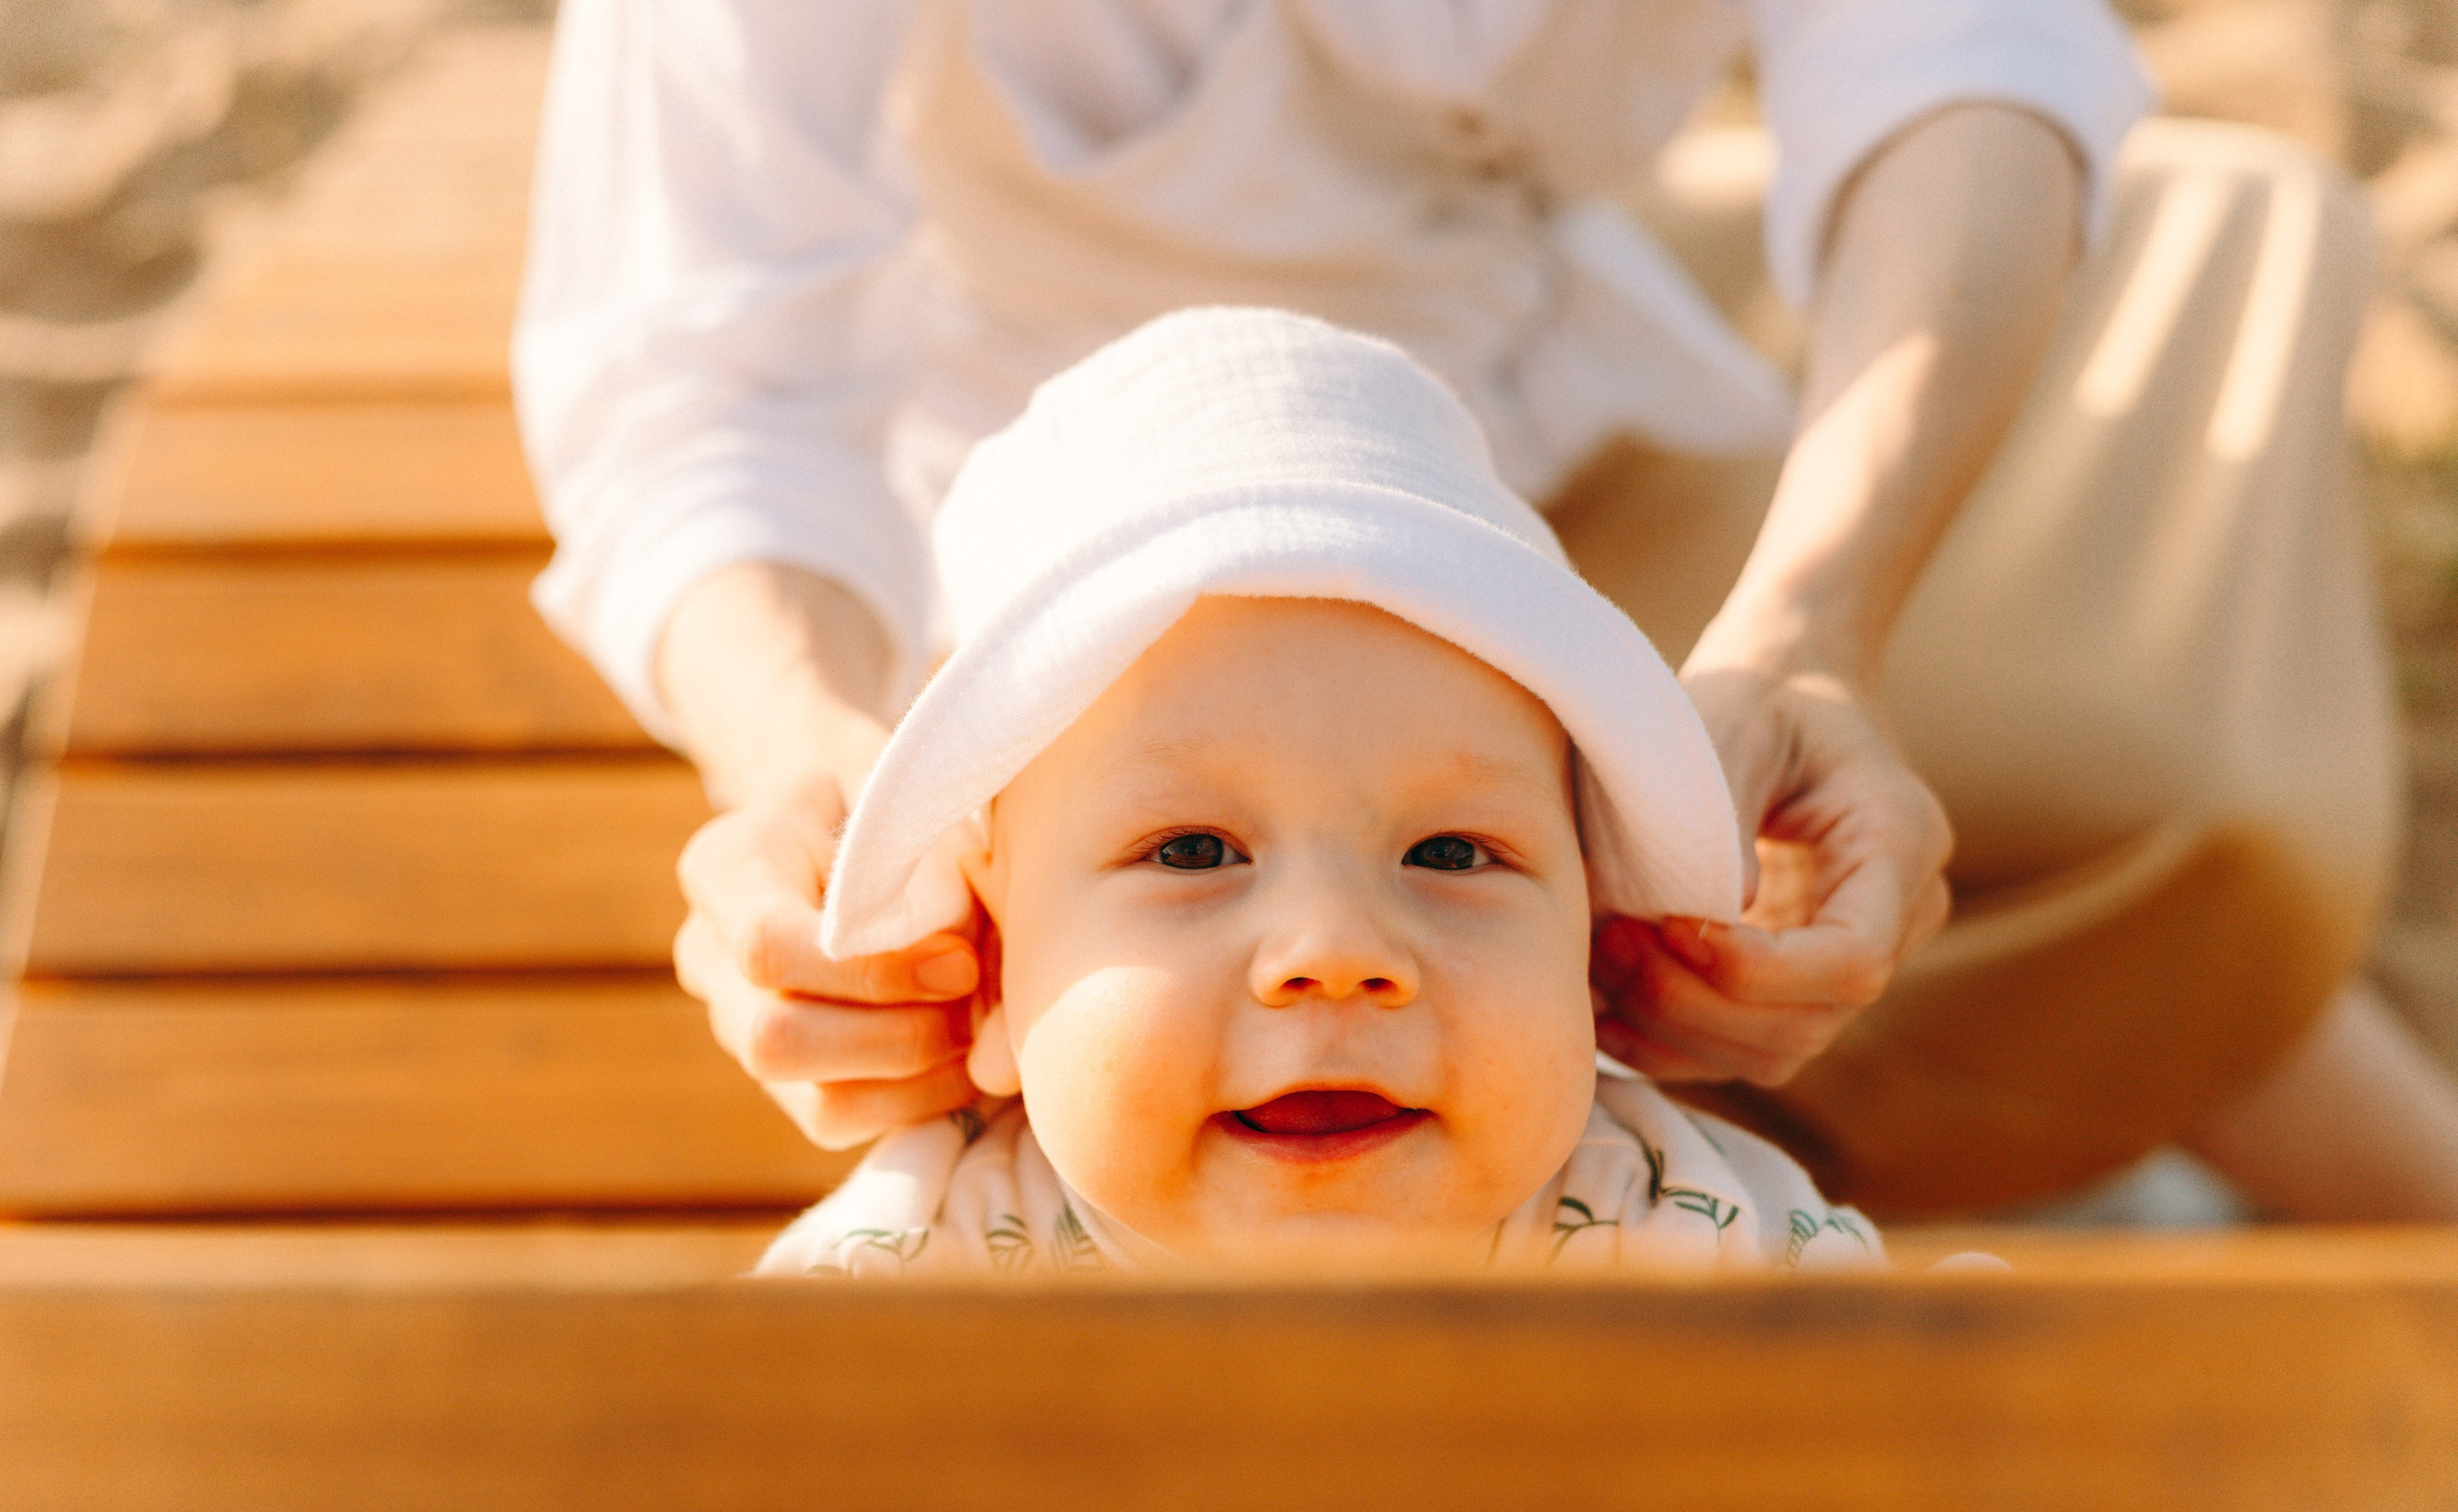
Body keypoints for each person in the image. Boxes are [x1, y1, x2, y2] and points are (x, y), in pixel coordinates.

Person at [515, 2, 2458, 1219]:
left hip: (1565, 396)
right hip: (1063, 558)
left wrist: (1811, 626)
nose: (1330, 960)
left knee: (2225, 277)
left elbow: (1963, 54)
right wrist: (808, 768)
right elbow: (690, 379)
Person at [757, 308, 1883, 1276]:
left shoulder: (1689, 1235)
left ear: (1587, 955)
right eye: (1193, 851)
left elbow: (1975, 1427)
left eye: (1450, 853)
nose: (1336, 951)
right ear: (993, 970)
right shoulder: (914, 1273)